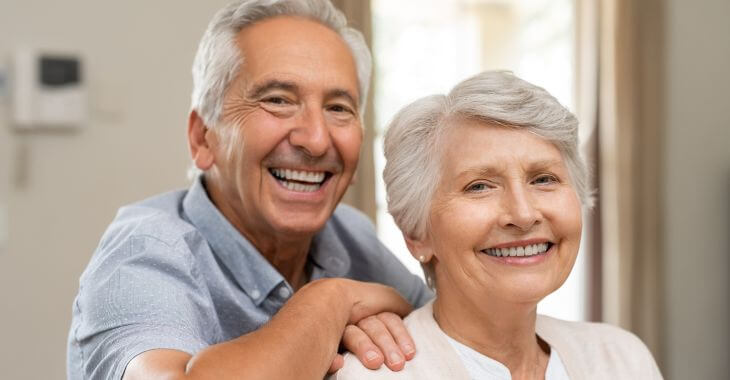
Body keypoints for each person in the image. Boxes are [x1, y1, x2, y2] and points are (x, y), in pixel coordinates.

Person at [66, 1, 433, 379]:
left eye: (339, 108)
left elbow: (453, 331)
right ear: (203, 138)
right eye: (278, 100)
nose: (317, 140)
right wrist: (332, 300)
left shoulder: (348, 232)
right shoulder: (145, 250)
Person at [333, 71, 663, 379]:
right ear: (416, 234)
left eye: (544, 179)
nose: (522, 214)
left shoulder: (623, 359)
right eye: (479, 186)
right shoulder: (370, 374)